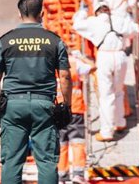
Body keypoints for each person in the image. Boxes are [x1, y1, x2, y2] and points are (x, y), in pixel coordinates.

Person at [0, 0, 72, 184]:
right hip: (44, 106)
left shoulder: (4, 41)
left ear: (19, 14)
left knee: (11, 162)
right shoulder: (55, 41)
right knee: (47, 162)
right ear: (42, 14)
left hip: (13, 107)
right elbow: (65, 76)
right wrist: (66, 106)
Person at [72, 0, 139, 142]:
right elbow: (135, 29)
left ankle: (107, 132)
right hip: (121, 56)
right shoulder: (119, 20)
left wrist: (82, 11)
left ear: (96, 10)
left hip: (104, 57)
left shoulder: (94, 22)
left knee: (106, 95)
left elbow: (76, 25)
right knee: (119, 91)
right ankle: (120, 122)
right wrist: (128, 17)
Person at [57, 51, 94, 183]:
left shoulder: (48, 65)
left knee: (60, 144)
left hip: (56, 110)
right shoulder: (75, 63)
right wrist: (82, 56)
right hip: (75, 108)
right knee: (77, 142)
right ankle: (78, 174)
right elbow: (93, 67)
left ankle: (61, 176)